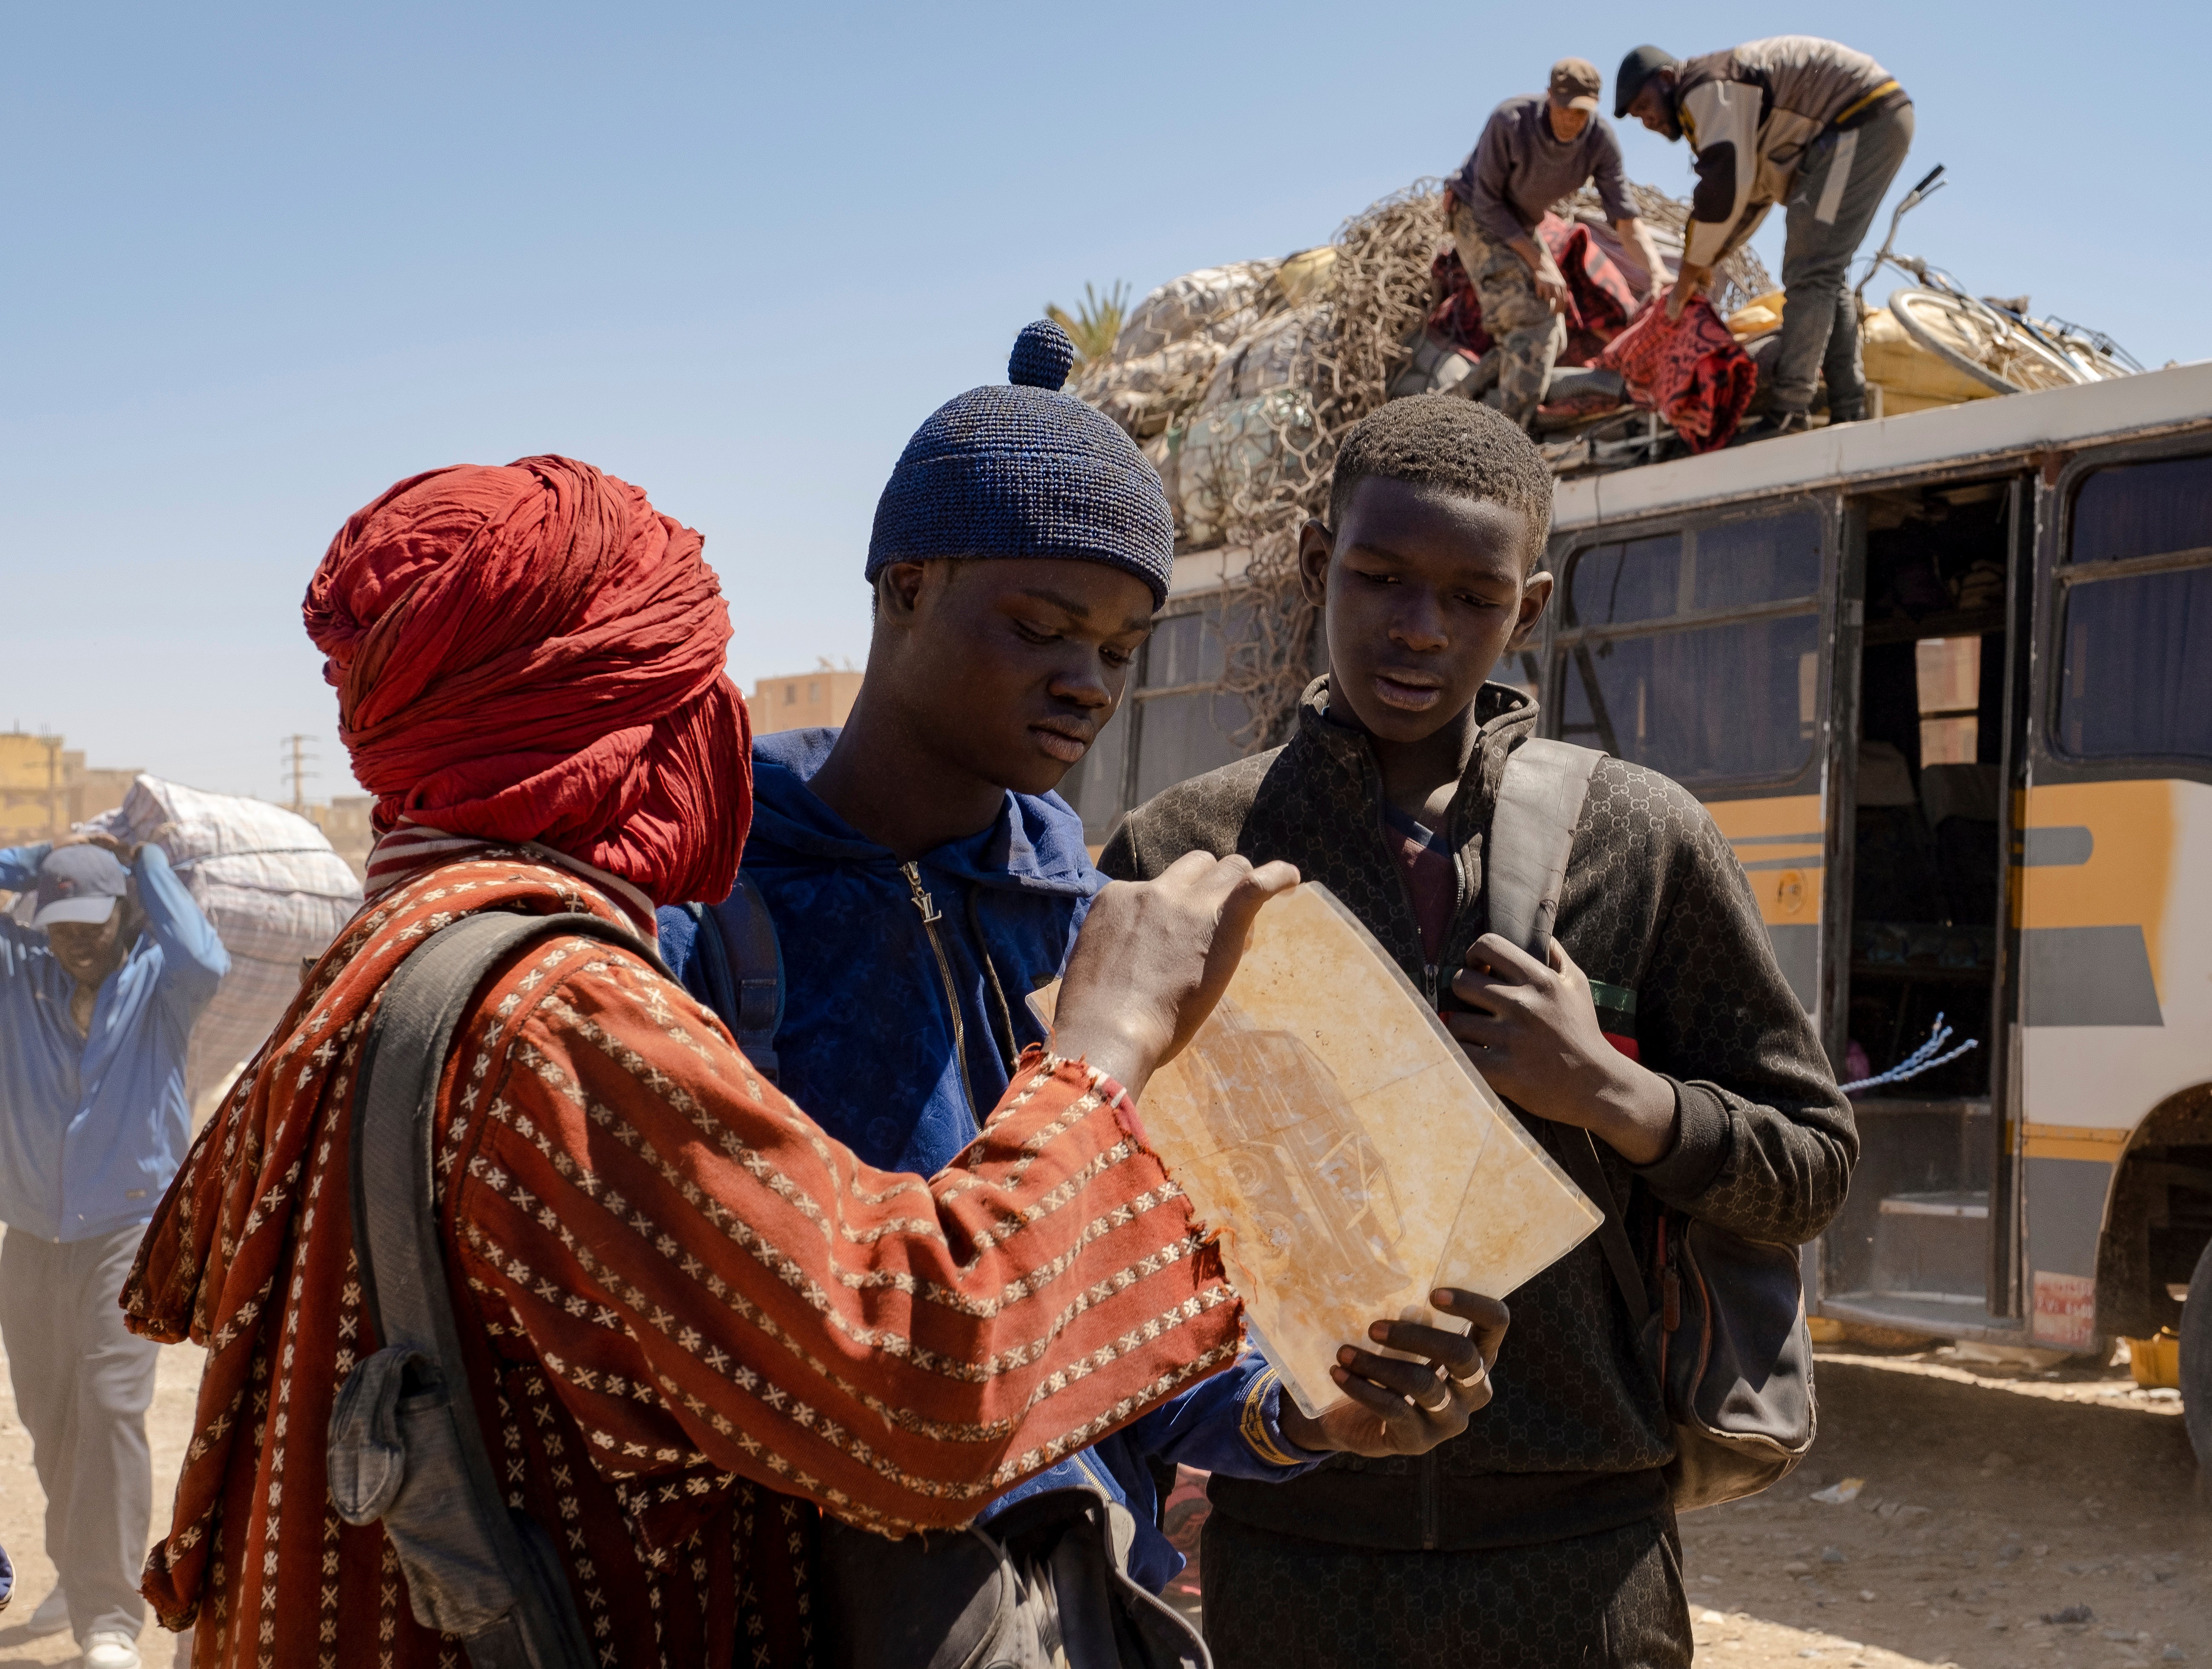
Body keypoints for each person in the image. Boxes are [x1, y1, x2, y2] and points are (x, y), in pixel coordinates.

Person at [122, 452, 1329, 1668]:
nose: (721, 719)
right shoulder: (561, 1010)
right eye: (689, 681)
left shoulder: (395, 956)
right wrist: (1104, 1049)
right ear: (604, 712)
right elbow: (915, 1381)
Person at [660, 321, 1509, 1620]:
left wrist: (1307, 1412)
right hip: (821, 1612)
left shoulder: (1099, 932)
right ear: (903, 588)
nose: (1086, 683)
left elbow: (1132, 1314)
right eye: (1042, 627)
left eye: (1121, 649)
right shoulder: (710, 917)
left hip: (1080, 1606)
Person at [1099, 396, 1856, 1668]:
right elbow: (1111, 1209)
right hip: (1297, 1557)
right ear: (1311, 560)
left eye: (1470, 596)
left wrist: (1619, 1097)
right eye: (1380, 578)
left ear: (1533, 604)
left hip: (1584, 1555)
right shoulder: (1184, 856)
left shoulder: (1642, 843)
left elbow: (1812, 1168)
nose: (1417, 629)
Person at [0, 831, 229, 1669]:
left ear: (126, 917)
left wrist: (141, 865)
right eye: (59, 923)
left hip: (128, 1238)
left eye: (92, 922)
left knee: (108, 1404)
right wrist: (44, 862)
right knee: (53, 1421)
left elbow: (203, 949)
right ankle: (80, 1567)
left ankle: (109, 1616)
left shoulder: (162, 986)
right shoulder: (17, 977)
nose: (75, 941)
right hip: (27, 1239)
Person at [1616, 37, 1914, 433]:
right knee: (1822, 271)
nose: (1646, 121)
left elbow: (1724, 188)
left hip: (1857, 118)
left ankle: (1790, 409)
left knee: (1811, 269)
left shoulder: (1704, 87)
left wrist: (1690, 270)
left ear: (1667, 78)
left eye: (1643, 107)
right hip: (1858, 120)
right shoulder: (1714, 102)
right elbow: (1749, 198)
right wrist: (1707, 260)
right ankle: (1848, 407)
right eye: (1637, 117)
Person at [1443, 57, 1669, 428]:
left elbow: (1626, 221)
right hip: (1476, 213)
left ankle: (1462, 397)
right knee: (1534, 325)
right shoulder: (1511, 121)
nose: (1571, 120)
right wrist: (1540, 262)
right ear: (1549, 97)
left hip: (1520, 218)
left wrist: (1656, 273)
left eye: (1581, 112)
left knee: (1555, 337)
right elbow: (1487, 203)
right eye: (1564, 109)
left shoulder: (1599, 141)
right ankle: (1506, 441)